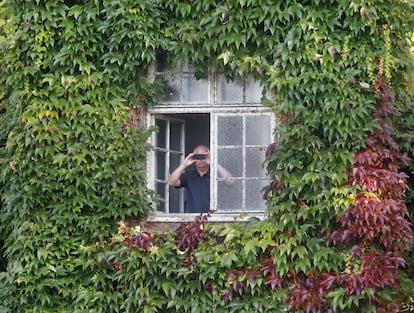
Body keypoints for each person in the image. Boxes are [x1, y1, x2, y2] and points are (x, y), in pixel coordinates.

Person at [167, 145, 232, 213]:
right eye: (198, 156)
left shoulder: (216, 176)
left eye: (203, 156)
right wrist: (184, 164)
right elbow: (171, 182)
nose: (201, 159)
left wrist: (214, 163)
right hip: (192, 218)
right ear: (193, 157)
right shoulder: (189, 176)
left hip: (214, 218)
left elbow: (230, 181)